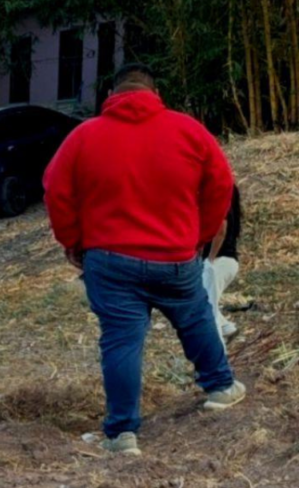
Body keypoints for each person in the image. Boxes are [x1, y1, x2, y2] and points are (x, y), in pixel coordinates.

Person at [43, 63, 245, 456]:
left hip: (109, 260)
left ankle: (122, 435)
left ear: (113, 94)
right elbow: (222, 183)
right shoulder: (188, 130)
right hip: (176, 256)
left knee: (121, 341)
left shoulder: (84, 137)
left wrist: (72, 241)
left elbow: (54, 189)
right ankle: (220, 387)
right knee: (196, 317)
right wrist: (199, 236)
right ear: (155, 93)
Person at [203, 184, 242, 344]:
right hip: (227, 261)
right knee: (202, 302)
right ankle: (226, 327)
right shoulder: (232, 209)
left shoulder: (220, 206)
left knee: (207, 310)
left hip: (218, 261)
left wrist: (210, 258)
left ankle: (217, 356)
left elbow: (220, 231)